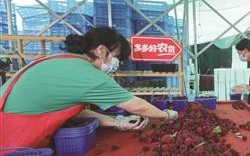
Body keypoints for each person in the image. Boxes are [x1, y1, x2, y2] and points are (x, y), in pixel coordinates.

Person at [0, 26, 178, 148]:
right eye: (117, 57)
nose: (117, 64)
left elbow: (67, 109)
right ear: (101, 50)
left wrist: (116, 121)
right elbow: (137, 106)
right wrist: (166, 115)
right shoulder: (89, 75)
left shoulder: (63, 60)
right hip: (10, 135)